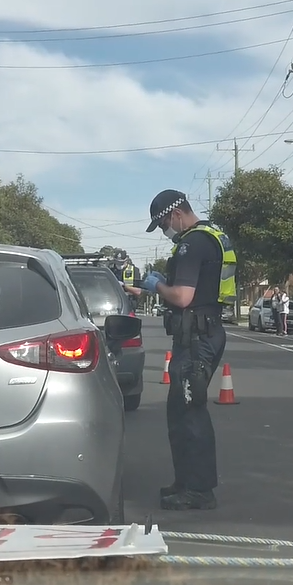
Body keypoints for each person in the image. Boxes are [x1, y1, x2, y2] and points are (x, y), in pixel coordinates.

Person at [124, 189, 238, 510]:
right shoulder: (213, 237)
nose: (165, 231)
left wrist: (155, 285)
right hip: (206, 332)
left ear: (175, 214)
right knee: (181, 409)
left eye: (162, 225)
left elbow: (183, 297)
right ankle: (186, 481)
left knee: (190, 412)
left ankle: (199, 490)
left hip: (196, 339)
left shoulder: (192, 243)